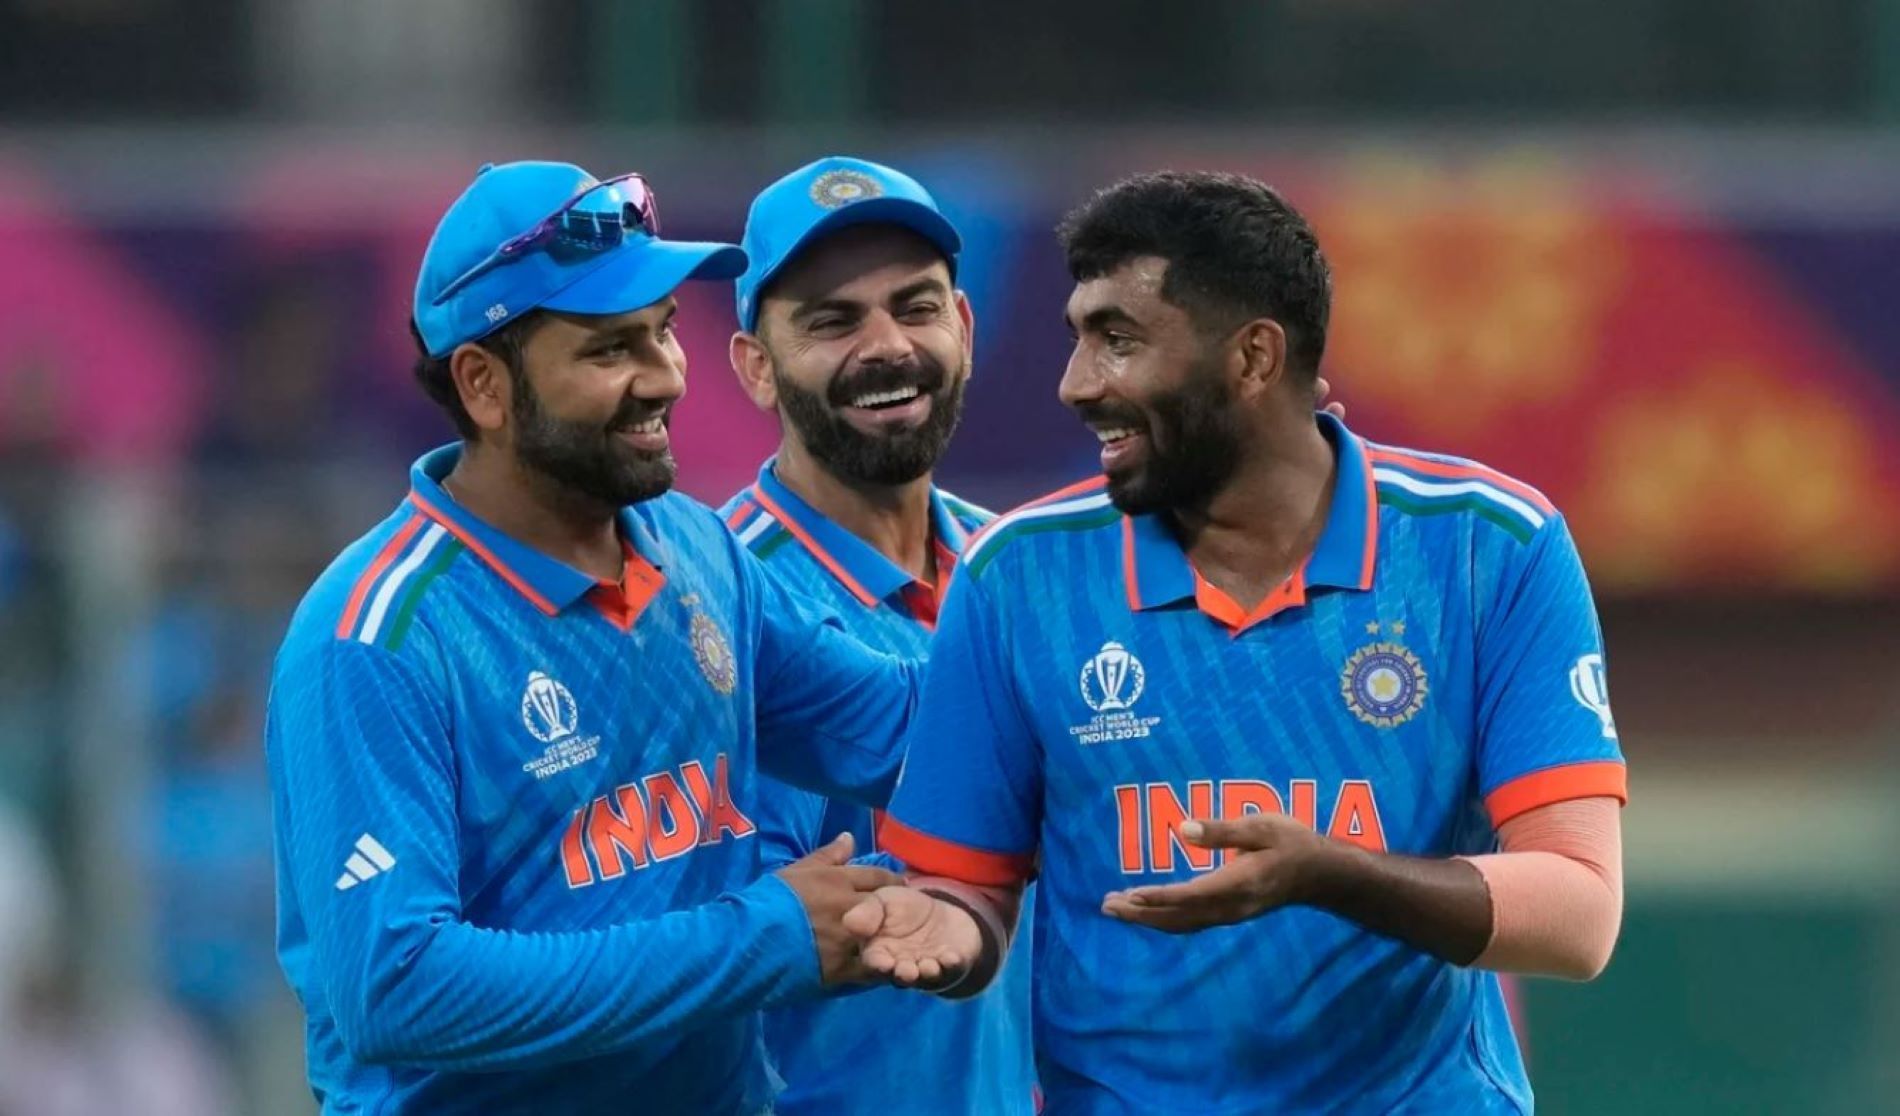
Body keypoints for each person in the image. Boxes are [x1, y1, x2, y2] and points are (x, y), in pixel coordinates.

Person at [852, 171, 1628, 1113]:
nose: (1076, 385)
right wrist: (936, 931)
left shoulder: (1486, 547)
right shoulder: (1018, 577)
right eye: (1077, 338)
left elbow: (1579, 915)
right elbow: (963, 889)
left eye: (1119, 340)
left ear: (1254, 358)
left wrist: (1329, 876)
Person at [265, 161, 920, 1114]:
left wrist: (1156, 652)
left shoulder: (695, 548)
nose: (666, 375)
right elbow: (397, 986)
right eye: (612, 349)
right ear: (484, 384)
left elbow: (897, 727)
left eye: (660, 331)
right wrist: (762, 940)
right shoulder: (376, 640)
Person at [718, 156, 1037, 1114]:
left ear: (967, 329)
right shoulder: (722, 606)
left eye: (917, 306)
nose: (888, 346)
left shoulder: (1027, 569)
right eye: (832, 320)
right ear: (756, 368)